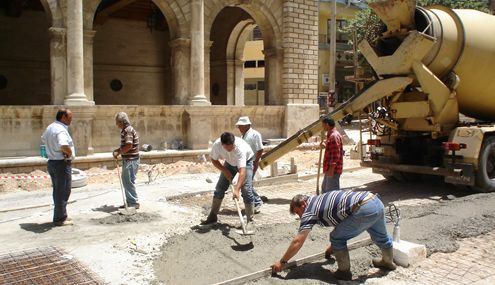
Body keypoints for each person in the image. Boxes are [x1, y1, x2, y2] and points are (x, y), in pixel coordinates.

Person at [270, 191, 396, 280]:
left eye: (298, 212)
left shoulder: (309, 210)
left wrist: (282, 262)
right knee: (381, 235)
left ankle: (344, 272)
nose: (300, 217)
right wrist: (333, 248)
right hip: (375, 201)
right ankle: (387, 262)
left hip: (362, 208)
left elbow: (298, 241)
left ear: (303, 203)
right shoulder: (319, 199)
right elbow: (341, 219)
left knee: (336, 237)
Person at [201, 132, 256, 230]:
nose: (230, 148)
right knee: (219, 189)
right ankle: (212, 216)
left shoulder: (240, 148)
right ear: (222, 144)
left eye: (231, 146)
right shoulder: (217, 145)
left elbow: (242, 171)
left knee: (246, 190)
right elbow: (214, 160)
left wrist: (237, 190)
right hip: (229, 164)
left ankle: (250, 221)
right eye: (227, 147)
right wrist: (225, 170)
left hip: (246, 162)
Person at [41, 108, 75, 226]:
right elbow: (63, 144)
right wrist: (69, 153)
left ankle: (62, 213)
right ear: (63, 117)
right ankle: (60, 218)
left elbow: (43, 139)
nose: (72, 119)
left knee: (58, 190)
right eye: (70, 117)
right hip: (61, 163)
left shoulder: (50, 127)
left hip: (52, 162)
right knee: (63, 190)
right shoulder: (60, 130)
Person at [113, 112, 140, 209]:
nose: (116, 124)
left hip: (131, 159)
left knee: (128, 181)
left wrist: (118, 152)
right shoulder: (126, 130)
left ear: (121, 122)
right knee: (126, 180)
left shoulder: (127, 130)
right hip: (129, 159)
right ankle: (130, 202)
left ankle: (133, 202)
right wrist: (119, 151)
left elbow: (129, 145)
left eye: (117, 122)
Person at [236, 116, 264, 212]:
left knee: (247, 184)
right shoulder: (243, 135)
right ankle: (255, 202)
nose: (239, 128)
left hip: (251, 162)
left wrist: (255, 163)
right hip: (245, 163)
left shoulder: (255, 135)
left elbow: (260, 149)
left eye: (240, 126)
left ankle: (257, 202)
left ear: (247, 125)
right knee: (247, 184)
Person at [321, 116, 343, 192]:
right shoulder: (332, 135)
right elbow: (332, 150)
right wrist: (325, 146)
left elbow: (335, 155)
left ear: (327, 125)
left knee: (331, 193)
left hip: (333, 171)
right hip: (330, 170)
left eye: (323, 125)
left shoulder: (334, 136)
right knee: (325, 191)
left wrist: (331, 170)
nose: (322, 127)